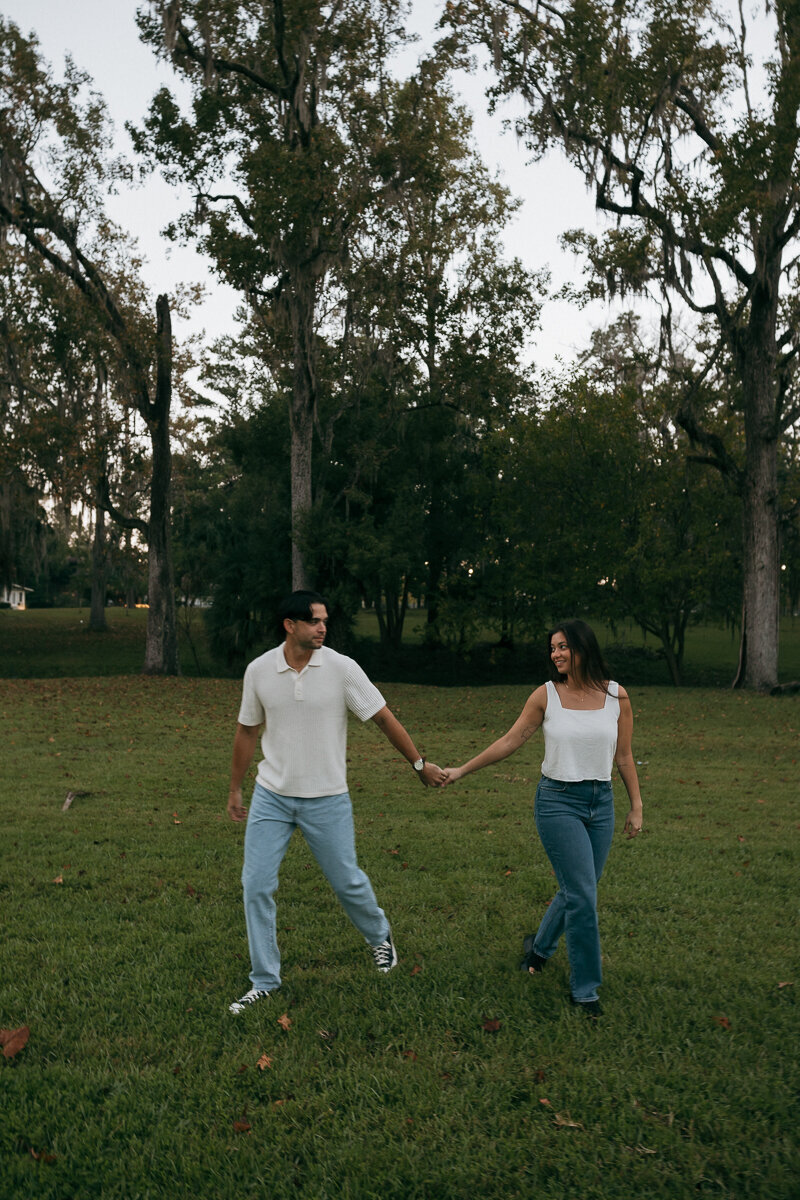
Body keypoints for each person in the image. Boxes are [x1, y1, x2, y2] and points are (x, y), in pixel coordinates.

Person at [227, 589, 446, 1013]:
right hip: (271, 796)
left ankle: (380, 937)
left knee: (347, 881)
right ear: (289, 625)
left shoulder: (342, 669)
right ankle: (264, 979)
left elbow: (383, 717)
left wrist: (419, 765)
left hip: (326, 798)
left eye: (325, 620)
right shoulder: (258, 671)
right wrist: (236, 788)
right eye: (313, 620)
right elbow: (247, 731)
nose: (323, 627)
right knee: (255, 885)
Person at [442, 619, 643, 1019]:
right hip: (558, 802)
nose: (556, 654)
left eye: (564, 646)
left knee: (577, 889)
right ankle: (586, 990)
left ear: (583, 647)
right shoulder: (546, 695)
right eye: (553, 648)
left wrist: (636, 805)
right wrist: (462, 770)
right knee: (584, 895)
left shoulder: (616, 697)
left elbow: (623, 756)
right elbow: (510, 740)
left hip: (601, 804)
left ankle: (539, 949)